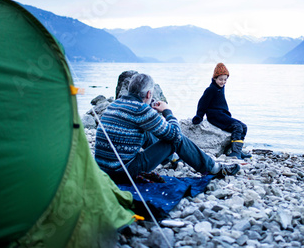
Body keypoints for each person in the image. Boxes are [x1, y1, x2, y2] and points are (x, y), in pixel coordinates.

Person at [94, 73, 240, 184]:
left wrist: (151, 112)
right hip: (122, 173)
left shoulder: (114, 105)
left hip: (103, 170)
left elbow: (135, 117)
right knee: (175, 140)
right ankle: (213, 168)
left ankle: (171, 159)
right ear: (149, 94)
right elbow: (175, 134)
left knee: (144, 132)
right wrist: (167, 112)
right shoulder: (141, 111)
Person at [192, 63, 252, 159]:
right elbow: (202, 103)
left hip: (223, 115)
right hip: (215, 116)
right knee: (237, 127)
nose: (223, 82)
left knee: (244, 127)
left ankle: (239, 151)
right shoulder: (211, 89)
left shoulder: (221, 88)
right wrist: (199, 116)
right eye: (220, 79)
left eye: (225, 79)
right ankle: (235, 153)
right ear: (215, 78)